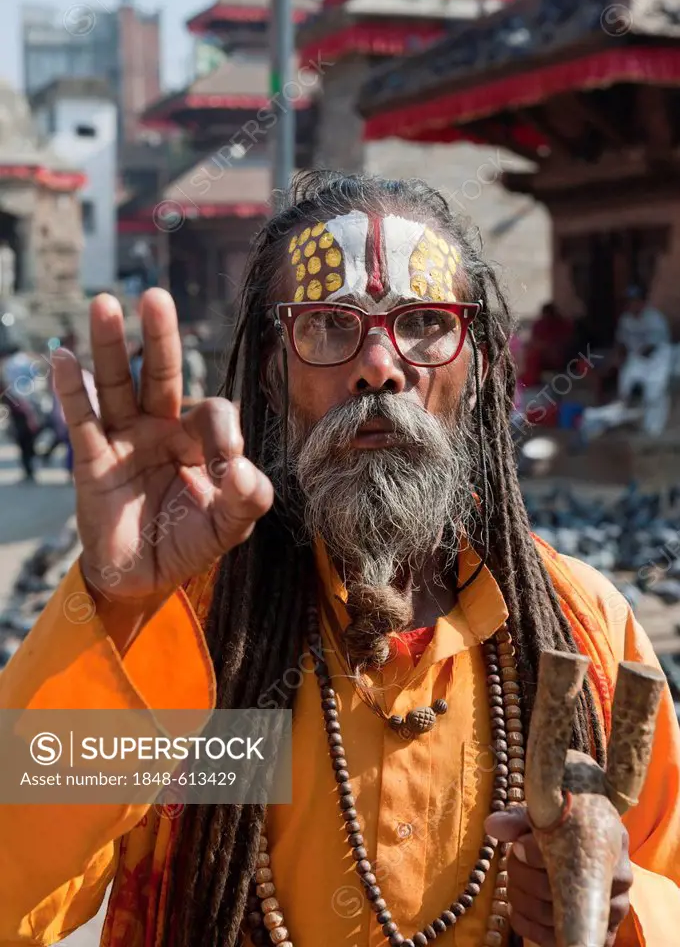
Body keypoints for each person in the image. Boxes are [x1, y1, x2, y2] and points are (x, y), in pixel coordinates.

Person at [1, 173, 679, 947]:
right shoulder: (201, 631)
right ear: (269, 366)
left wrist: (620, 912)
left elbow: (666, 873)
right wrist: (115, 604)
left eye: (425, 322)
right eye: (329, 324)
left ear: (483, 364)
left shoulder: (581, 632)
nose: (379, 368)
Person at [615, 287, 672, 436]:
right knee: (625, 386)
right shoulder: (625, 319)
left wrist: (633, 353)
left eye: (635, 301)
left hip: (658, 358)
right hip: (638, 357)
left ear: (642, 303)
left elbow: (652, 346)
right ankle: (626, 421)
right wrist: (619, 357)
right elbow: (621, 342)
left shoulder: (655, 318)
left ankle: (653, 430)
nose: (632, 305)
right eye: (629, 302)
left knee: (654, 393)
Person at [0, 344, 43, 481]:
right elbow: (38, 379)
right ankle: (33, 463)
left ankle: (28, 467)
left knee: (21, 437)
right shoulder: (28, 361)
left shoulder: (7, 365)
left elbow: (6, 385)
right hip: (32, 402)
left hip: (16, 404)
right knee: (31, 435)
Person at [521, 303, 574, 388]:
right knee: (532, 355)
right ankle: (528, 383)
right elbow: (535, 341)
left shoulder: (563, 324)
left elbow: (566, 341)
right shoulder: (539, 324)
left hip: (559, 355)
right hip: (542, 356)